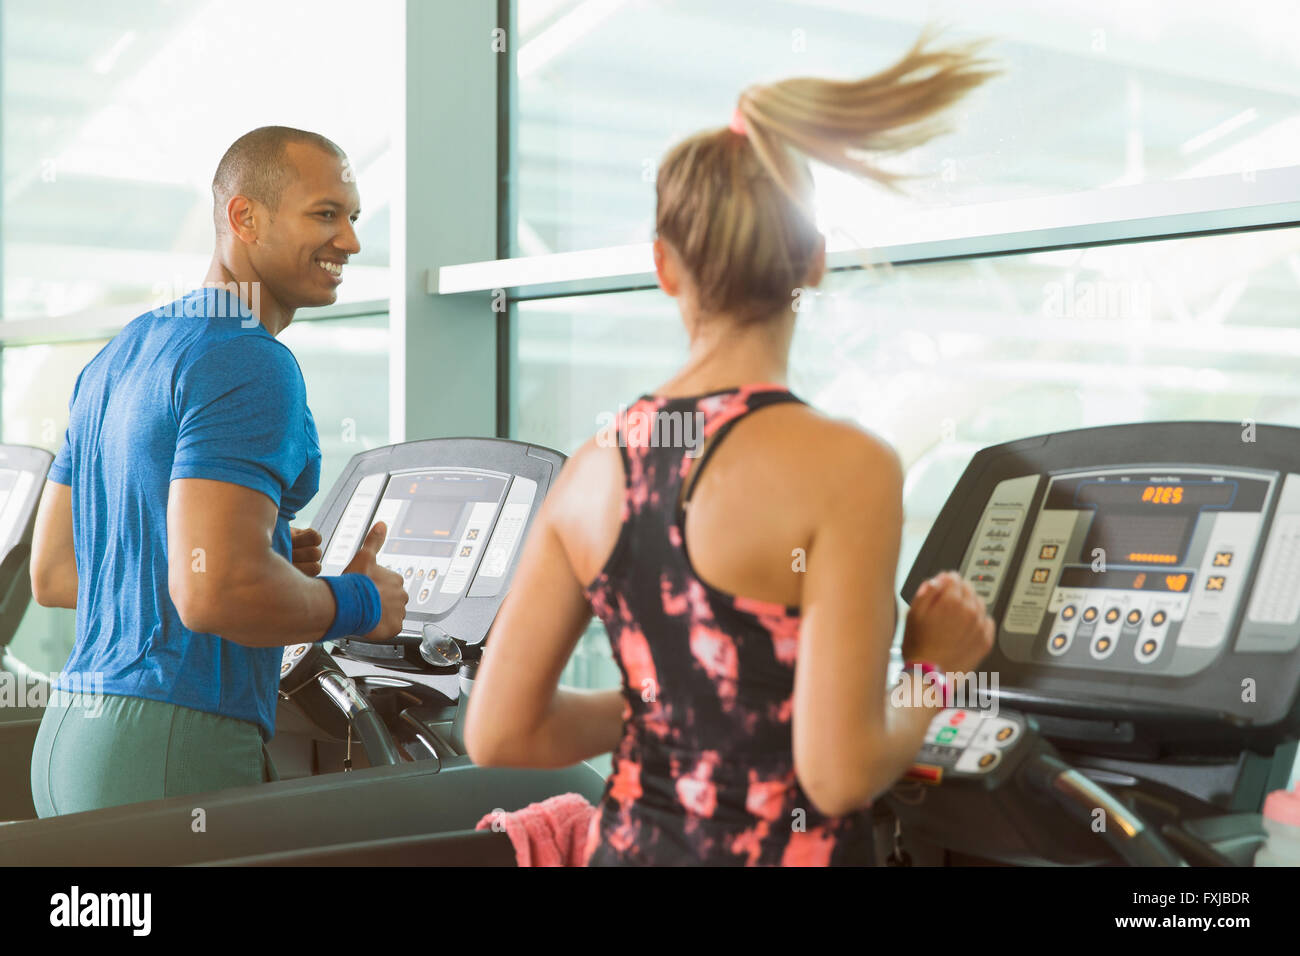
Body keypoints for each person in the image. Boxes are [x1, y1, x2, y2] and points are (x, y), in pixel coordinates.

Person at [464, 27, 999, 865]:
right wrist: (935, 670)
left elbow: (499, 730)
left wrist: (668, 700)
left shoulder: (591, 470)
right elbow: (838, 773)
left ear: (664, 267)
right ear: (814, 262)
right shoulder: (846, 467)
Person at [28, 126, 407, 817]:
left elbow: (56, 572)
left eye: (353, 218)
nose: (350, 241)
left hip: (71, 744)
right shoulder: (249, 358)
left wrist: (252, 561)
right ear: (244, 217)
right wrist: (363, 603)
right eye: (325, 215)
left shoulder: (123, 353)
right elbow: (211, 596)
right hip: (171, 744)